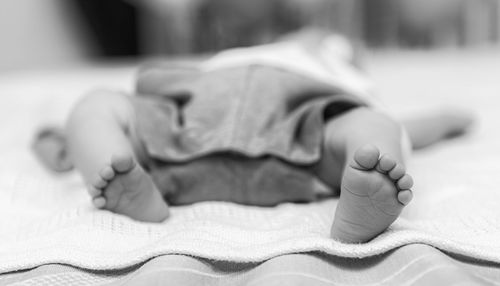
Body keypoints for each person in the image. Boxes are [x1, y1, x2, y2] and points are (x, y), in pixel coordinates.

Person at [61, 32, 473, 243]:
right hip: (201, 116)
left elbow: (411, 127)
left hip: (281, 125)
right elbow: (410, 130)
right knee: (98, 102)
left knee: (369, 125)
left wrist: (447, 119)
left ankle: (366, 186)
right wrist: (445, 120)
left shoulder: (334, 71)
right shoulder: (254, 53)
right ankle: (116, 166)